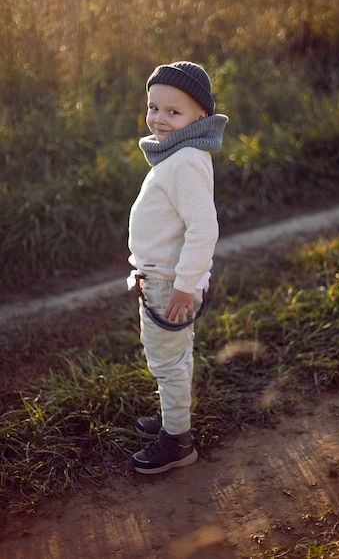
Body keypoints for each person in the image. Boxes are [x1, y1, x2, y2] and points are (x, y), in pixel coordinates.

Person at [127, 61, 228, 474]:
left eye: (174, 112)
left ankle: (177, 441)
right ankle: (174, 419)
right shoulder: (182, 153)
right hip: (165, 278)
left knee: (166, 361)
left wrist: (185, 286)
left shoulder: (184, 160)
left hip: (169, 284)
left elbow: (203, 230)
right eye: (154, 108)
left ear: (200, 116)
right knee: (175, 357)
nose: (159, 119)